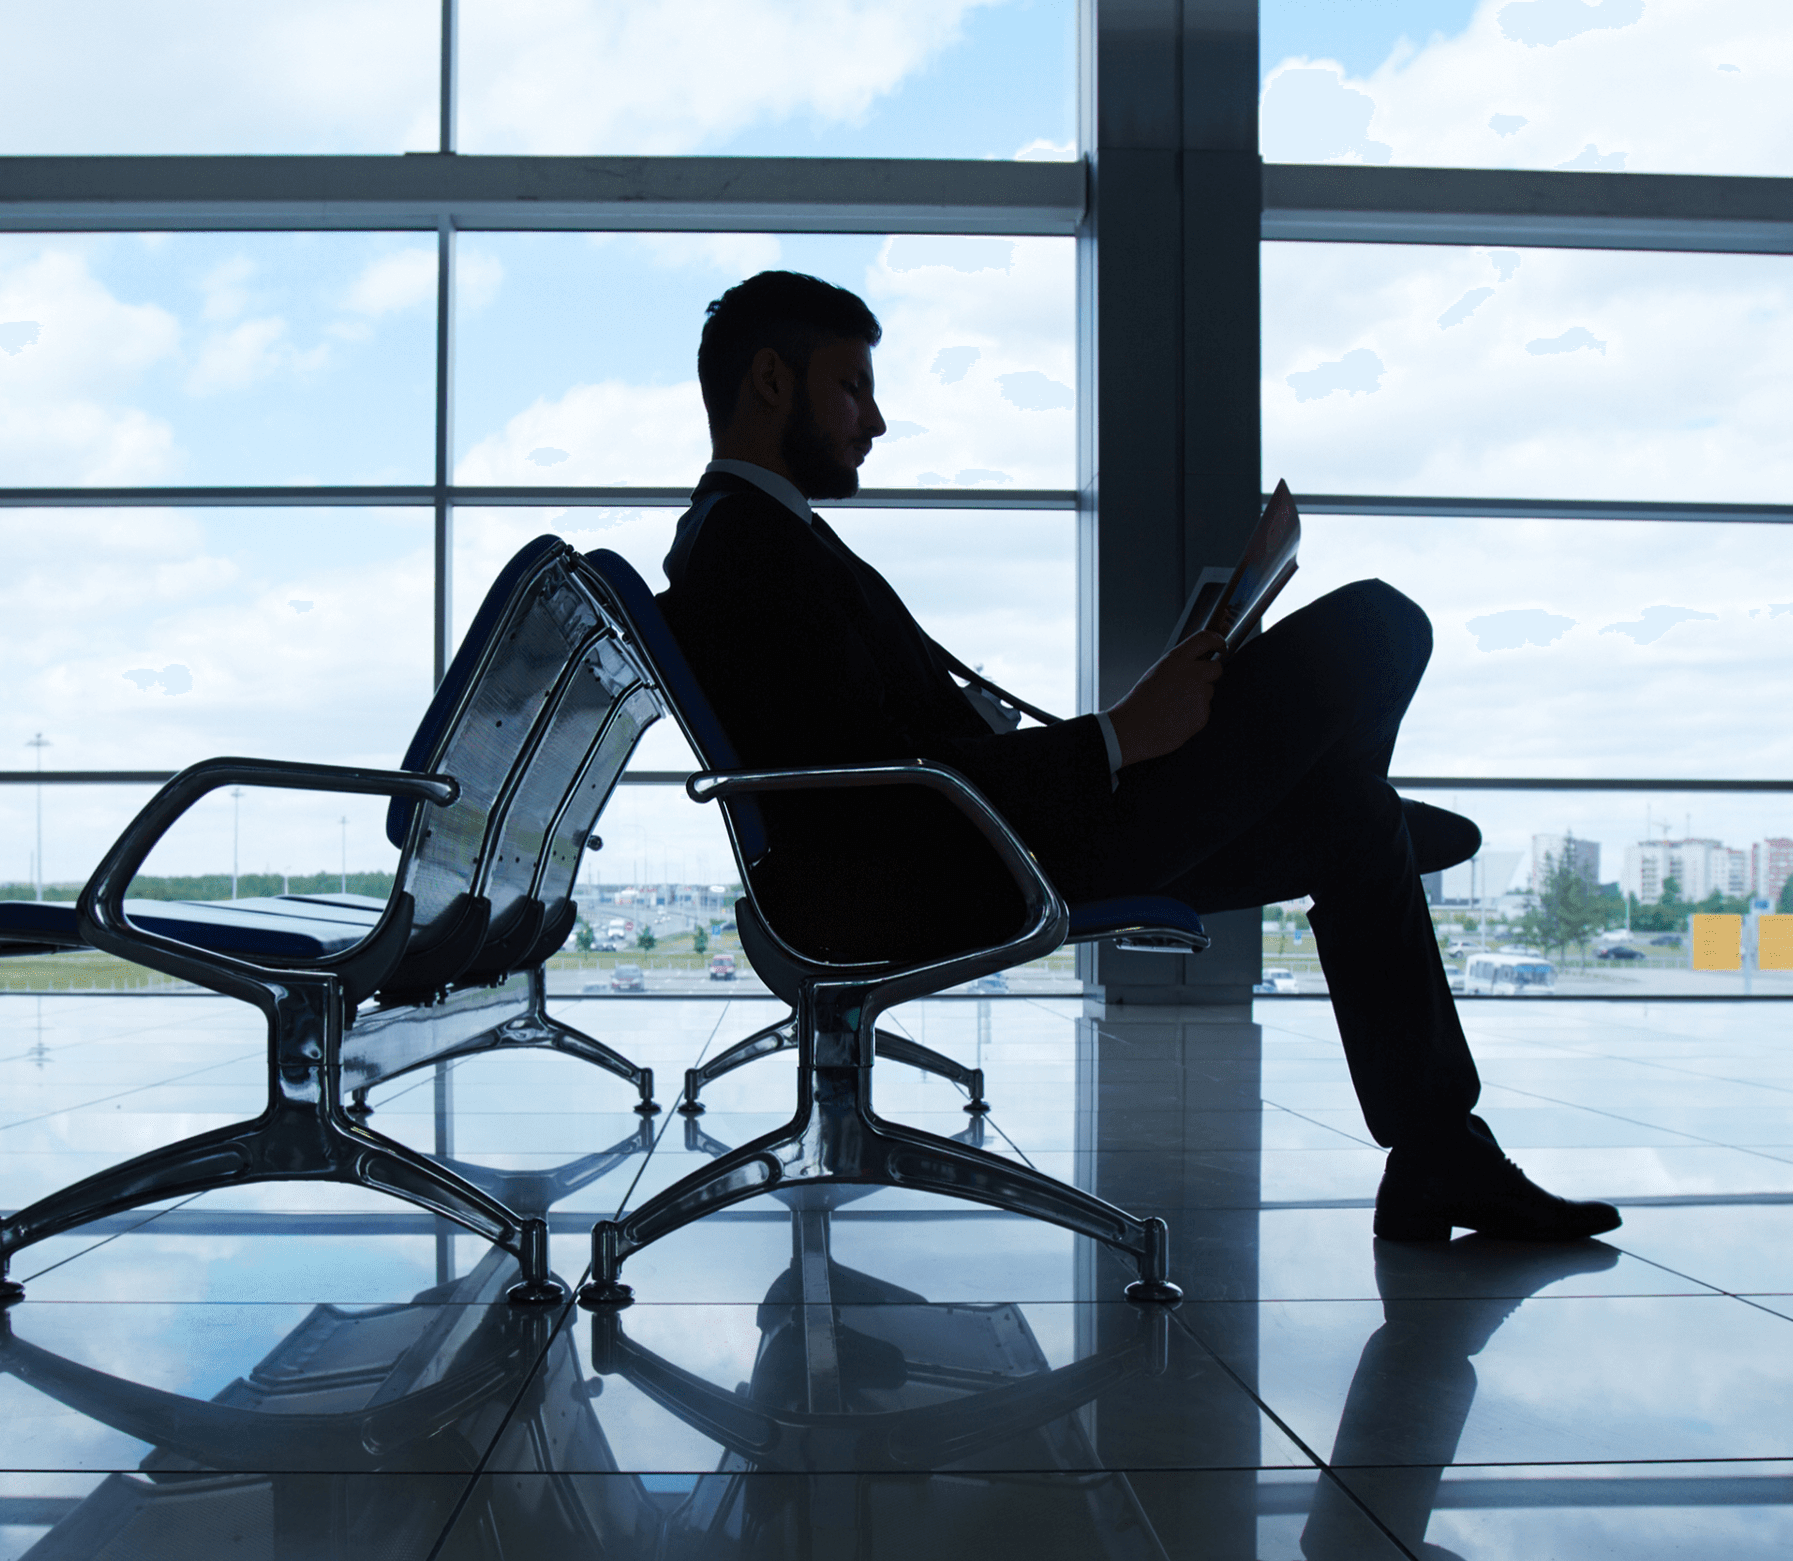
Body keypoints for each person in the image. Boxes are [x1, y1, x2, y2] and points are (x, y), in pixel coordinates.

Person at [651, 272, 1613, 1242]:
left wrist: (1123, 729)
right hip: (964, 866)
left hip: (984, 841)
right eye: (853, 387)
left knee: (1351, 822)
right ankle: (1332, 801)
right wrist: (1118, 741)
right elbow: (871, 798)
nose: (877, 420)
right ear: (772, 382)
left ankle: (1439, 1152)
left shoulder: (760, 542)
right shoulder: (752, 554)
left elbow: (880, 755)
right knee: (1375, 627)